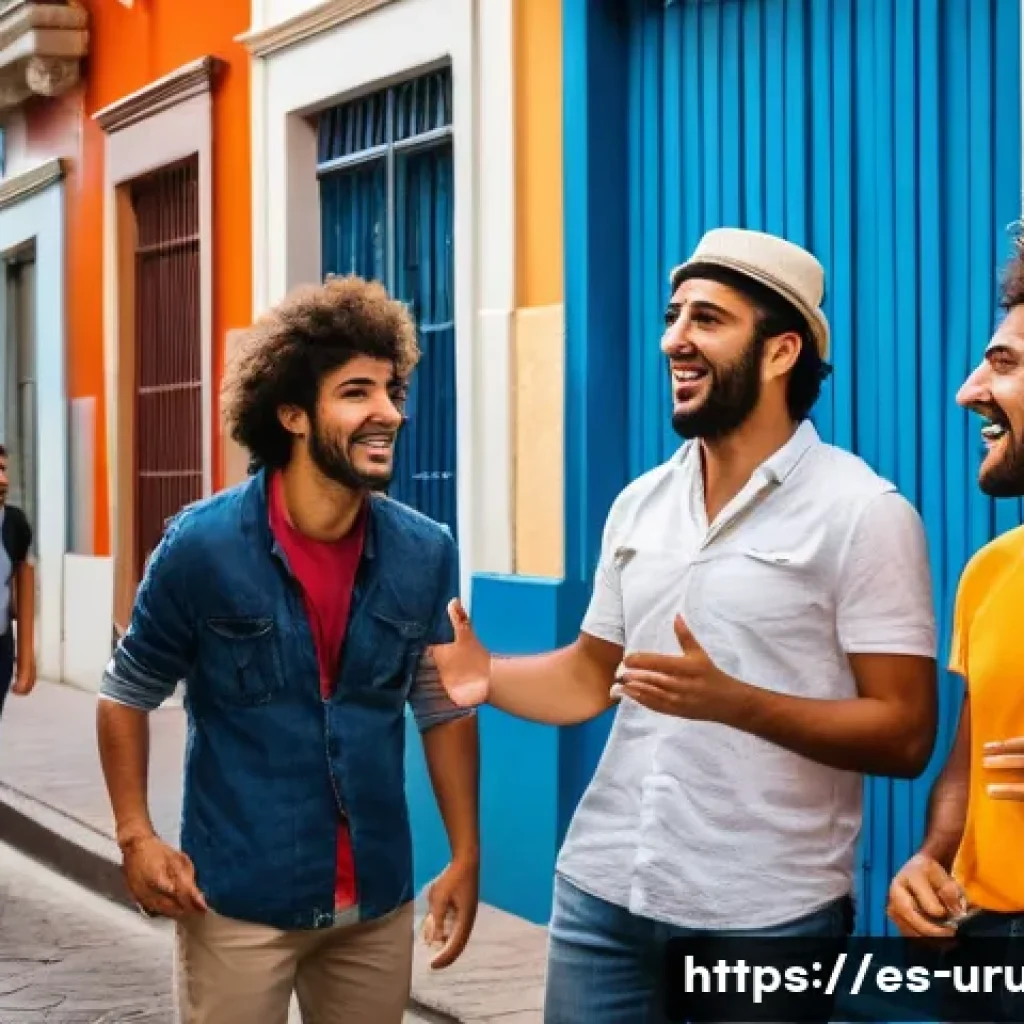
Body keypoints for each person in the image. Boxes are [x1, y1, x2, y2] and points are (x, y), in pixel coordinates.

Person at [430, 228, 939, 1023]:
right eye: (674, 317)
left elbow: (906, 735)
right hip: (602, 899)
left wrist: (735, 701)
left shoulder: (865, 514)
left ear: (780, 351)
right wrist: (483, 675)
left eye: (707, 318)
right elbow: (590, 676)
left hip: (766, 922)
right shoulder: (642, 502)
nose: (674, 339)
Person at [96, 275, 480, 1024]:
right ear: (292, 414)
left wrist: (467, 852)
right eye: (358, 392)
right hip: (240, 901)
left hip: (373, 905)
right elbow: (126, 693)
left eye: (392, 390)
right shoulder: (201, 549)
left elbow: (441, 706)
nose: (389, 413)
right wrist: (136, 836)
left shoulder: (423, 551)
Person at [887, 237, 1024, 1021]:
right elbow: (970, 760)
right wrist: (932, 860)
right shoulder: (991, 570)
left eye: (1003, 364)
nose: (969, 389)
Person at [0, 444, 35, 712]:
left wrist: (25, 662)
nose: (4, 480)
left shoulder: (14, 524)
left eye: (3, 469)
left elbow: (24, 587)